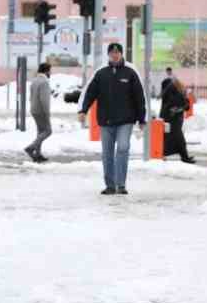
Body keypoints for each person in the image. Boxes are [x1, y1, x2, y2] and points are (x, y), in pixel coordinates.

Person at [78, 42, 147, 194]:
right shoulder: (101, 73)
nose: (115, 55)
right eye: (112, 52)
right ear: (108, 55)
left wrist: (142, 119)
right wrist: (83, 110)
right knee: (107, 153)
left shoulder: (130, 72)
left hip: (126, 120)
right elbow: (90, 92)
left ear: (121, 54)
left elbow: (139, 97)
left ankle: (120, 184)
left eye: (117, 52)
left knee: (123, 148)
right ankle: (110, 185)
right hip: (106, 120)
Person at [159, 75, 196, 163]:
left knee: (171, 138)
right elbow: (181, 103)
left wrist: (183, 104)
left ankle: (182, 156)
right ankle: (184, 156)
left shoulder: (172, 90)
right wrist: (183, 104)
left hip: (172, 118)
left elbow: (184, 104)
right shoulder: (173, 90)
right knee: (177, 138)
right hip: (172, 118)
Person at [25, 61, 53, 162]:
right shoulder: (44, 82)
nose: (51, 73)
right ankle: (31, 148)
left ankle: (37, 154)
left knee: (41, 132)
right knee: (48, 131)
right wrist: (47, 112)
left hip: (34, 109)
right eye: (50, 71)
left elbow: (31, 96)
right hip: (41, 110)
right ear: (46, 71)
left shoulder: (34, 80)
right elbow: (44, 99)